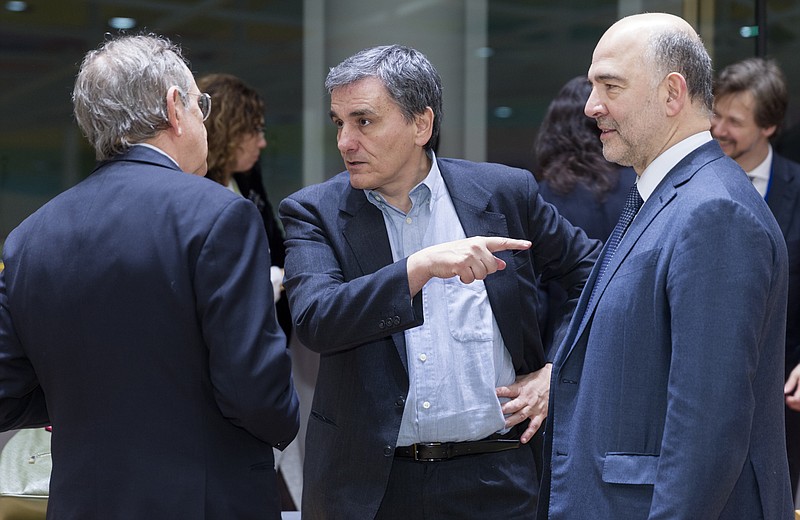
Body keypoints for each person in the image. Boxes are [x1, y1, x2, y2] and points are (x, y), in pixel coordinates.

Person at [278, 44, 600, 519]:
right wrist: (420, 267)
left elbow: (596, 275)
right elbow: (315, 319)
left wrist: (558, 373)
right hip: (371, 487)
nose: (346, 141)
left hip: (498, 476)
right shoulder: (315, 212)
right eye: (339, 123)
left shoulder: (504, 194)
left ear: (421, 124)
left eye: (363, 121)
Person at [0, 34, 299, 519]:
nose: (204, 120)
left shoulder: (28, 238)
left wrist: (91, 399)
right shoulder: (219, 214)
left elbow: (6, 394)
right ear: (175, 106)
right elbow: (255, 392)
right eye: (201, 106)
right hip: (202, 500)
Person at [540, 13, 794, 519]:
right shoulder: (669, 197)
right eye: (593, 87)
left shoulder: (712, 212)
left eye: (610, 86)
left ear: (672, 94)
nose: (592, 107)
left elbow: (708, 426)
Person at [710, 57, 800, 502]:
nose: (719, 129)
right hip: (704, 391)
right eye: (717, 115)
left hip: (782, 397)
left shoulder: (799, 189)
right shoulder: (692, 183)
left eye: (735, 121)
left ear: (769, 127)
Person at [534, 75, 637, 352]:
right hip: (627, 334)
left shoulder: (544, 195)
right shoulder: (637, 186)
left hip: (563, 341)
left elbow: (537, 291)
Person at [196, 73, 292, 343]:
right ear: (227, 132)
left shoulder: (247, 177)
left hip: (271, 331)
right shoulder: (194, 190)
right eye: (255, 130)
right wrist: (280, 278)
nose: (262, 142)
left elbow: (276, 240)